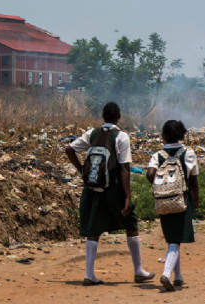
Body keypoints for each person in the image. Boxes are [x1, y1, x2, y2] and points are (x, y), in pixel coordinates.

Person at [64, 102, 155, 285]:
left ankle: (89, 274)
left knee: (93, 229)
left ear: (103, 116)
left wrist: (81, 170)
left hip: (93, 188)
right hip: (113, 188)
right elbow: (124, 168)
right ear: (118, 117)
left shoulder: (92, 133)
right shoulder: (121, 136)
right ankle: (138, 271)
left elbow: (69, 149)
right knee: (131, 224)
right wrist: (127, 196)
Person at [146, 120, 199, 292]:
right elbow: (193, 180)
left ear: (164, 136)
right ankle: (167, 274)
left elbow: (150, 174)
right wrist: (196, 199)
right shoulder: (188, 153)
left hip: (163, 200)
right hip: (182, 199)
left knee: (172, 238)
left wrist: (163, 186)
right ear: (182, 135)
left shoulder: (158, 155)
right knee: (176, 238)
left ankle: (178, 276)